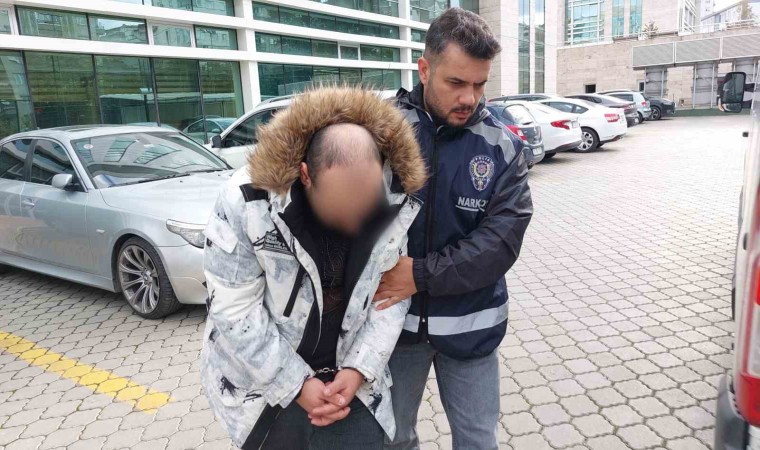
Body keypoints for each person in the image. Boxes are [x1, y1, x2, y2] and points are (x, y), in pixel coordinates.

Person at [201, 86, 427, 450]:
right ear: (305, 175)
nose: (355, 222)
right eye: (341, 208)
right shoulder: (247, 200)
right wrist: (296, 384)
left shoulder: (394, 196)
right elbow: (233, 308)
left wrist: (359, 369)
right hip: (265, 389)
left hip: (353, 389)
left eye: (365, 205)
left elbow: (391, 295)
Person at [374, 8, 534, 450]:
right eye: (456, 82)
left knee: (478, 441)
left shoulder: (502, 146)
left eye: (480, 84)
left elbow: (500, 242)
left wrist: (419, 275)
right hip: (394, 328)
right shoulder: (379, 132)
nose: (470, 98)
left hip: (472, 328)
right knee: (393, 438)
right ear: (424, 70)